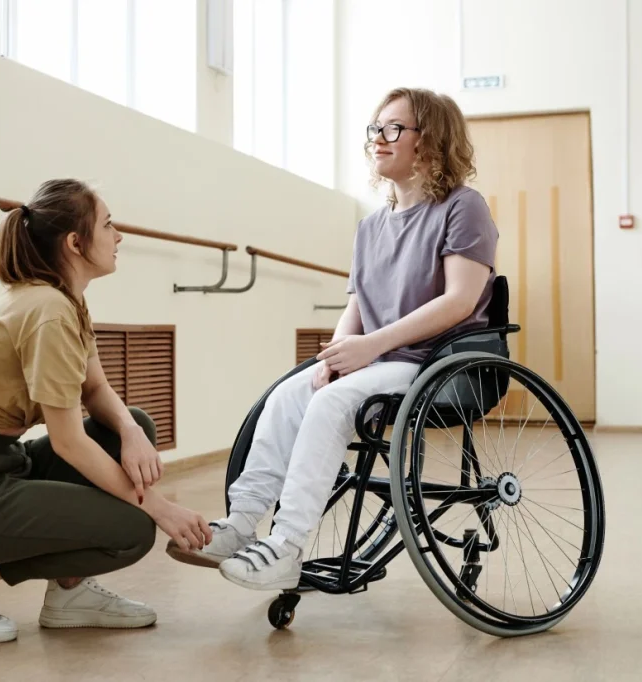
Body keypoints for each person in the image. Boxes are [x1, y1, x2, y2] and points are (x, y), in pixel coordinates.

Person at [167, 87, 499, 590]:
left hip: (439, 359)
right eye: (375, 129)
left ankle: (286, 546)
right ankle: (239, 525)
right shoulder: (369, 227)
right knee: (288, 395)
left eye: (393, 129)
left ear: (429, 140)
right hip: (382, 360)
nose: (378, 140)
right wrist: (335, 356)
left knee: (332, 403)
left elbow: (459, 300)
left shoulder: (462, 207)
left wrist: (367, 349)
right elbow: (358, 306)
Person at [0, 179, 212, 643]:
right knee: (131, 528)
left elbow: (97, 389)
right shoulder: (48, 309)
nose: (119, 236)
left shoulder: (64, 300)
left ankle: (69, 594)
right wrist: (161, 508)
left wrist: (129, 431)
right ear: (75, 242)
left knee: (136, 424)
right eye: (108, 225)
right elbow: (69, 443)